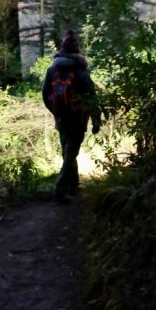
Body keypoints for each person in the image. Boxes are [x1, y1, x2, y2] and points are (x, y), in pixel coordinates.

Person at [42, 29, 101, 202]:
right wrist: (96, 121)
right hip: (77, 119)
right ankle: (59, 190)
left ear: (62, 48)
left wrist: (55, 112)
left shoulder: (52, 70)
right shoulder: (81, 72)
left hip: (61, 119)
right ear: (77, 50)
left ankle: (73, 186)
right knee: (70, 154)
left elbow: (45, 95)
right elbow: (92, 98)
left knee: (68, 152)